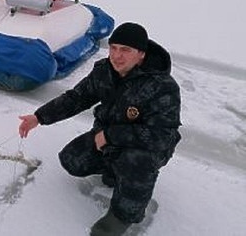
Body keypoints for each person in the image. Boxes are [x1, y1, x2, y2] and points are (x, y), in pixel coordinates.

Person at [19, 22, 181, 236]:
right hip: (106, 139)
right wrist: (39, 117)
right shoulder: (104, 71)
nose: (117, 56)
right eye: (113, 48)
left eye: (125, 50)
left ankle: (123, 215)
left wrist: (111, 135)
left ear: (141, 54)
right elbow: (76, 98)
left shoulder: (162, 87)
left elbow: (162, 137)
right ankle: (114, 171)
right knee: (71, 160)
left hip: (145, 149)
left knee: (135, 162)